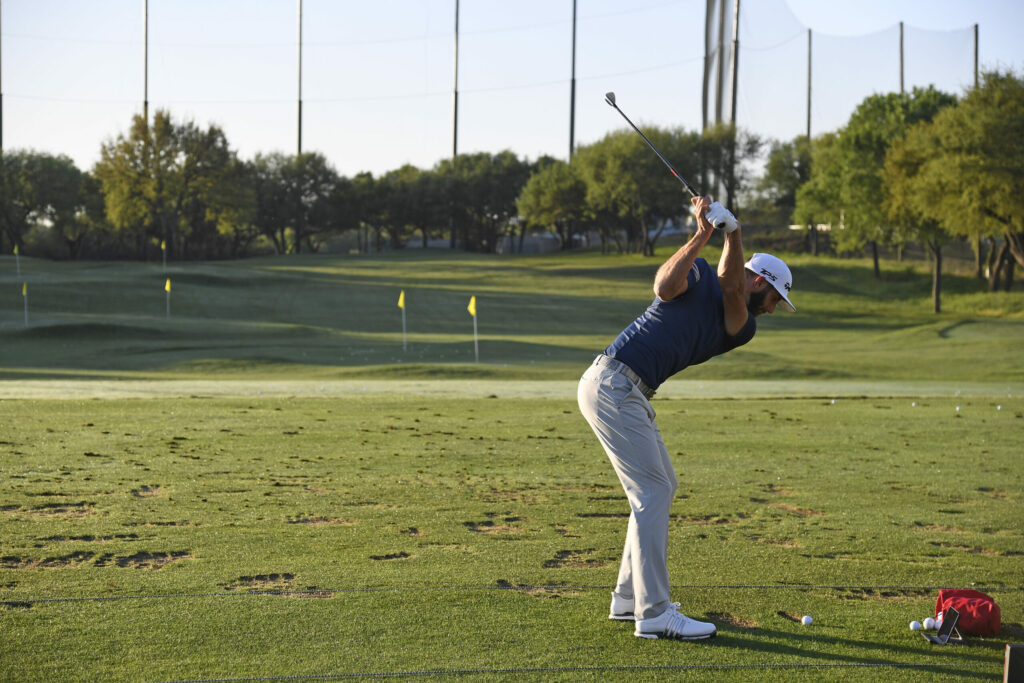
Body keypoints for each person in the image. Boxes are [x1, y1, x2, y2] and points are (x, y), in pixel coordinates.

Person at [577, 195, 795, 640]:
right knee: (652, 491)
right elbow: (663, 287)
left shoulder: (742, 324)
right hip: (613, 382)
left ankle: (627, 598)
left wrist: (732, 233)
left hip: (629, 390)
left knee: (660, 487)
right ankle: (654, 613)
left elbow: (732, 289)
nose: (774, 308)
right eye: (775, 298)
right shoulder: (698, 273)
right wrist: (705, 234)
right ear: (761, 283)